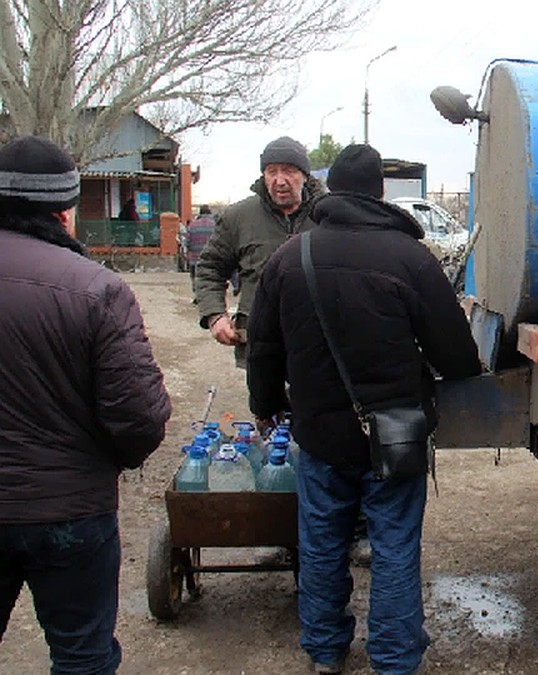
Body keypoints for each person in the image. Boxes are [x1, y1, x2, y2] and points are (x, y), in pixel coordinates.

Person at [246, 144, 481, 675]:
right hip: (394, 436)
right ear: (381, 192)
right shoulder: (410, 259)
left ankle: (325, 652)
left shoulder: (290, 257)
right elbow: (459, 357)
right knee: (394, 545)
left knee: (322, 543)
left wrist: (268, 407)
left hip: (320, 435)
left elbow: (262, 348)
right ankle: (395, 659)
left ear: (327, 192)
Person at [0, 136, 172, 673]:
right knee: (81, 655)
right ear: (66, 209)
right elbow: (140, 416)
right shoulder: (96, 288)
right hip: (70, 511)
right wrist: (110, 460)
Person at [193, 136, 326, 368]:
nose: (279, 180)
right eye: (271, 171)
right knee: (267, 404)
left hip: (321, 344)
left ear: (305, 175)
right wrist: (215, 315)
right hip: (260, 346)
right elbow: (210, 268)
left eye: (288, 171)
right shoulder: (239, 217)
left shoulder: (328, 213)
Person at [185, 204, 216, 279]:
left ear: (200, 213)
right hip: (212, 260)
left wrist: (188, 253)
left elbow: (187, 243)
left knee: (196, 281)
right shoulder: (216, 225)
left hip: (195, 260)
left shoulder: (192, 226)